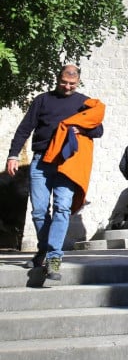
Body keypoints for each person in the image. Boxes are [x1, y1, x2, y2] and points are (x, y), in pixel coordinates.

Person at [4, 65, 105, 282]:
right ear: (57, 79)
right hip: (41, 160)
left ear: (78, 82)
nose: (67, 87)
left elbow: (98, 129)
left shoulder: (84, 102)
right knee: (39, 211)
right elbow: (24, 128)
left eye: (72, 84)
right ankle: (43, 250)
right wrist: (13, 155)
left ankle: (53, 258)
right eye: (64, 82)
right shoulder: (42, 100)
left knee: (62, 208)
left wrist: (82, 129)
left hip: (67, 161)